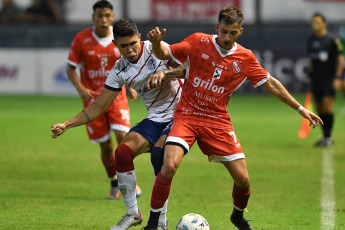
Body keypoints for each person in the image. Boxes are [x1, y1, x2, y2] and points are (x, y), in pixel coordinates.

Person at [142, 6, 323, 230]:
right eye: (224, 31)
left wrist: (299, 108)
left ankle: (237, 216)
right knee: (169, 165)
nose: (227, 37)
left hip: (217, 120)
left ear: (240, 31)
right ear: (217, 28)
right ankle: (152, 224)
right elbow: (164, 54)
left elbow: (271, 83)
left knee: (243, 180)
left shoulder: (245, 58)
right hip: (187, 115)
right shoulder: (198, 41)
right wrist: (158, 43)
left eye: (233, 33)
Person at [51, 18, 184, 230]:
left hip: (181, 114)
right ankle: (133, 213)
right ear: (116, 45)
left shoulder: (157, 48)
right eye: (124, 46)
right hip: (156, 116)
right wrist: (66, 124)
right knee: (122, 153)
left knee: (159, 154)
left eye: (133, 43)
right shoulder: (119, 70)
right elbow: (98, 107)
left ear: (139, 38)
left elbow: (187, 69)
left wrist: (165, 72)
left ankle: (160, 220)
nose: (130, 49)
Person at [66, 0, 141, 200]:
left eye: (108, 15)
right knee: (106, 146)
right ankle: (114, 183)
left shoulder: (119, 41)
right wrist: (81, 88)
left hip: (116, 97)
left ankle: (130, 183)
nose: (104, 19)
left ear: (112, 16)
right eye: (100, 15)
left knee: (123, 138)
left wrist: (131, 86)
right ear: (94, 17)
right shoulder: (82, 39)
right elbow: (71, 67)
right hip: (93, 98)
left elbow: (130, 63)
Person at [307, 12, 344, 147]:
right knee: (319, 107)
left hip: (329, 78)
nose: (315, 25)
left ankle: (328, 137)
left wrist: (338, 78)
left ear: (324, 23)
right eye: (313, 22)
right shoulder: (311, 39)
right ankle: (325, 136)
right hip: (317, 79)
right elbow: (311, 60)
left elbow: (340, 61)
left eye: (317, 22)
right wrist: (311, 77)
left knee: (327, 106)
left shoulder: (333, 40)